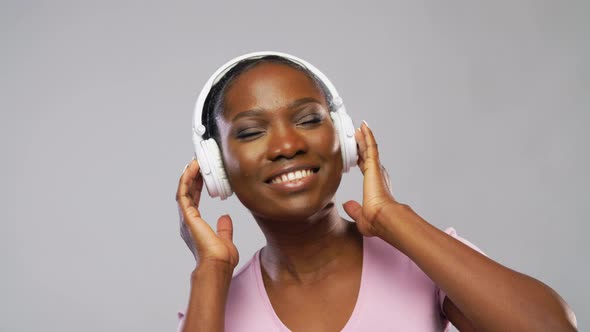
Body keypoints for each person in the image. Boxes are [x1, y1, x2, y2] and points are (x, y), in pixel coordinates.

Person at [175, 52, 577, 331]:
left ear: (345, 141)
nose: (286, 145)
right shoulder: (211, 307)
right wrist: (210, 272)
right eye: (251, 131)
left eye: (308, 119)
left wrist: (393, 217)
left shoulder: (422, 260)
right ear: (217, 168)